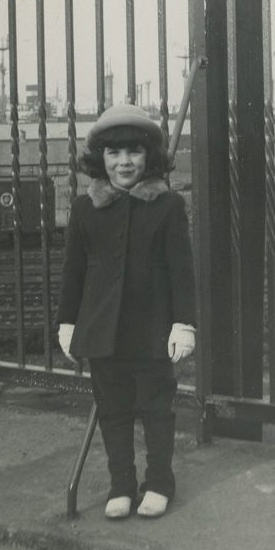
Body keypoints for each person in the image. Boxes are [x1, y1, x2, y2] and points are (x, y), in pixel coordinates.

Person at [57, 104, 197, 520]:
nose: (124, 162)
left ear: (149, 157)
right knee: (113, 410)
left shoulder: (168, 206)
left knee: (156, 408)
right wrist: (67, 322)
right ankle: (121, 484)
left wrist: (183, 323)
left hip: (153, 330)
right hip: (102, 331)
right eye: (114, 153)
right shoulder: (86, 210)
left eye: (134, 152)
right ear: (99, 158)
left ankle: (158, 483)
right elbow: (73, 271)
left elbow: (181, 270)